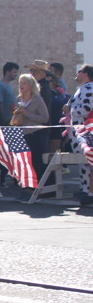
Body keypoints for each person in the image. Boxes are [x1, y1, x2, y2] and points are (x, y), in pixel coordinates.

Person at [13, 73, 50, 192]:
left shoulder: (37, 99)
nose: (21, 85)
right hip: (23, 134)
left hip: (36, 135)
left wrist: (27, 113)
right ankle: (28, 186)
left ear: (31, 85)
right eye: (20, 83)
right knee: (26, 162)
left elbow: (45, 118)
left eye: (24, 83)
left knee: (37, 162)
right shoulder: (19, 99)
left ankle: (39, 189)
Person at [67, 64, 93, 205]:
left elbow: (86, 108)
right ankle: (84, 188)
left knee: (86, 162)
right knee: (82, 163)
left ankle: (88, 191)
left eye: (80, 71)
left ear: (85, 74)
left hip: (85, 131)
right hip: (79, 131)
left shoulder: (89, 88)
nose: (77, 73)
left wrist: (71, 109)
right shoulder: (83, 88)